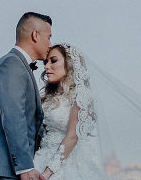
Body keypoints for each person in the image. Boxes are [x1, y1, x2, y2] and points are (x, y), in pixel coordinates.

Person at [0, 12, 53, 180]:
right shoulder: (11, 65)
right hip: (4, 169)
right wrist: (24, 167)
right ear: (35, 35)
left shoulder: (19, 65)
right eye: (48, 37)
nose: (50, 44)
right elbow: (13, 116)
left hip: (9, 170)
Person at [33, 43, 104, 179]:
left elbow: (72, 136)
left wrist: (48, 172)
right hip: (39, 159)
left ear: (69, 64)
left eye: (53, 61)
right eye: (46, 62)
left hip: (66, 164)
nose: (47, 66)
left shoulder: (81, 95)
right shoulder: (47, 98)